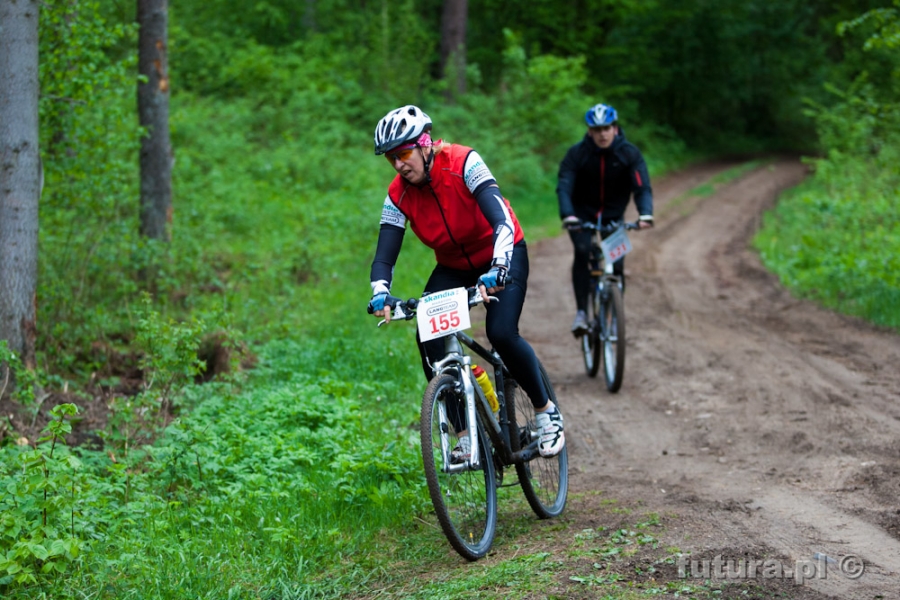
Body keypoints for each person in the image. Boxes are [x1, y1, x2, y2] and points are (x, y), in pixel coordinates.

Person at [367, 104, 564, 459]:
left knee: (502, 333)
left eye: (403, 153)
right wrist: (380, 293)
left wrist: (499, 266)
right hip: (454, 266)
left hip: (501, 252)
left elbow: (500, 219)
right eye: (391, 158)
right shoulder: (398, 194)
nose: (398, 164)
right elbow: (384, 255)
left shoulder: (463, 162)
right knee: (429, 336)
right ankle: (466, 435)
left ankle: (545, 412)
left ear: (425, 144)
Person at [557, 103, 654, 334]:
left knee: (617, 264)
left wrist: (645, 213)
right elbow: (564, 186)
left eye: (607, 128)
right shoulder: (576, 154)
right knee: (582, 252)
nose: (602, 133)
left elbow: (642, 186)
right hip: (581, 216)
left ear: (615, 128)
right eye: (597, 129)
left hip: (614, 216)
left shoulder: (629, 153)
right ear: (590, 131)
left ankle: (612, 312)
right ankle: (582, 313)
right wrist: (568, 214)